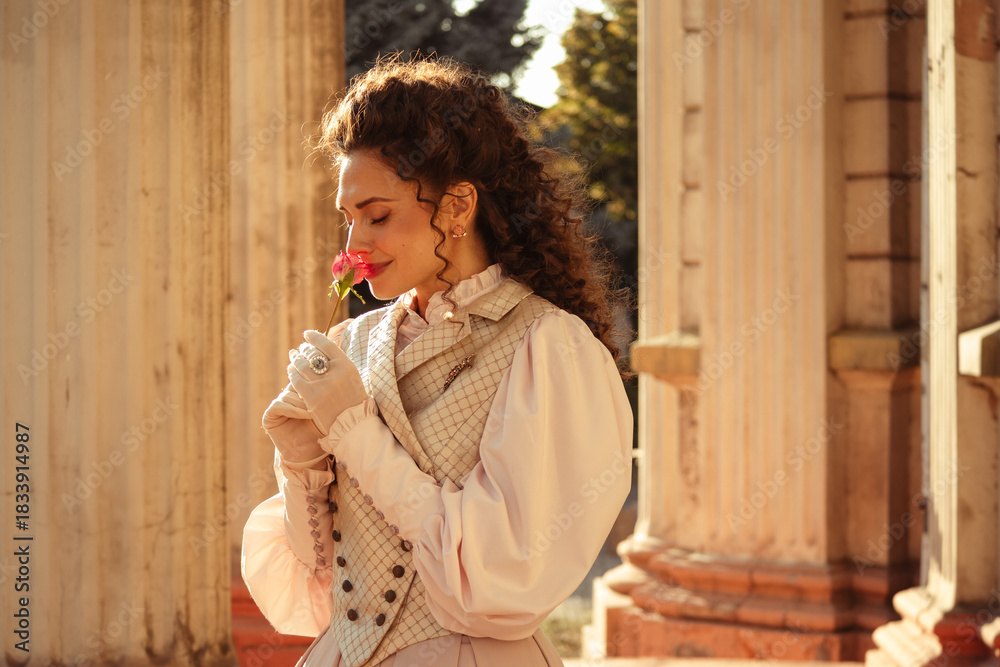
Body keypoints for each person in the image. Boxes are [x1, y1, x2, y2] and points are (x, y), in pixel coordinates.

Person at [241, 56, 634, 667]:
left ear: (456, 207)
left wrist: (356, 431)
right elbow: (324, 590)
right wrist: (301, 467)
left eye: (378, 215)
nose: (355, 245)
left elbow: (498, 582)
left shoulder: (547, 348)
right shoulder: (354, 343)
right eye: (349, 220)